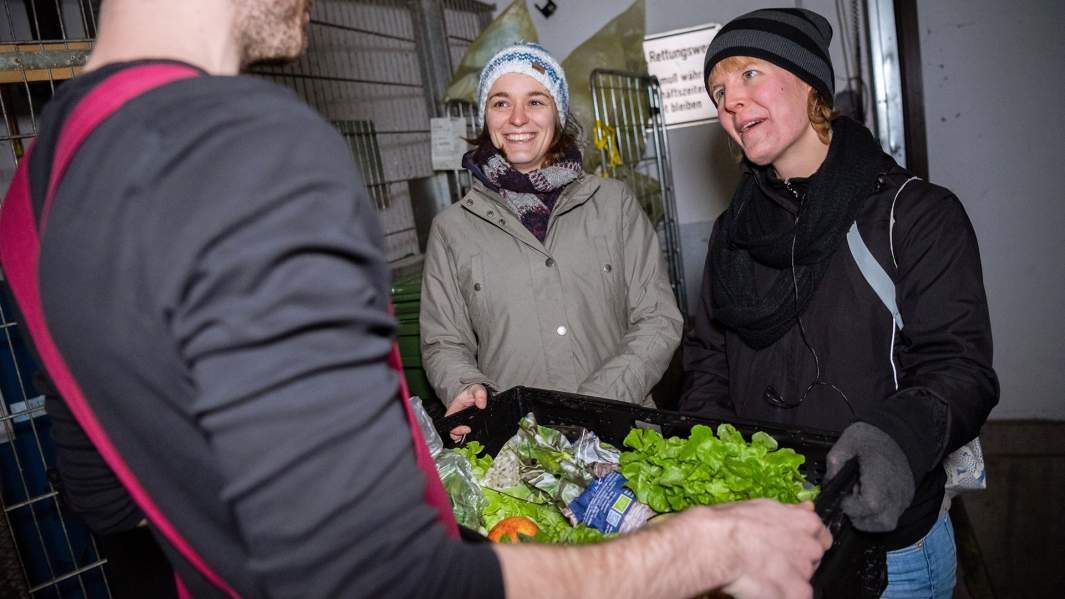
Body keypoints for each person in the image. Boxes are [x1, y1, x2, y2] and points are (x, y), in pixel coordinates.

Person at [0, 2, 831, 598]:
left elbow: (104, 496)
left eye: (534, 100)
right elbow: (382, 572)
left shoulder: (37, 186)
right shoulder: (250, 154)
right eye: (500, 102)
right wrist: (693, 548)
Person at [680, 8, 999, 598]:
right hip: (771, 543)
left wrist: (896, 440)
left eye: (750, 74)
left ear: (811, 84)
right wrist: (716, 463)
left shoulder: (914, 214)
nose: (731, 102)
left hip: (887, 552)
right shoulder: (733, 234)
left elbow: (962, 369)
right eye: (719, 90)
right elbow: (707, 359)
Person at [421, 43, 683, 435]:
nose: (518, 118)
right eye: (500, 103)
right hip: (521, 445)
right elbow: (444, 342)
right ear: (485, 116)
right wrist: (467, 387)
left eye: (536, 101)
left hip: (622, 432)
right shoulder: (452, 229)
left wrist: (593, 403)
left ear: (557, 113)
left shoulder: (613, 205)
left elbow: (658, 320)